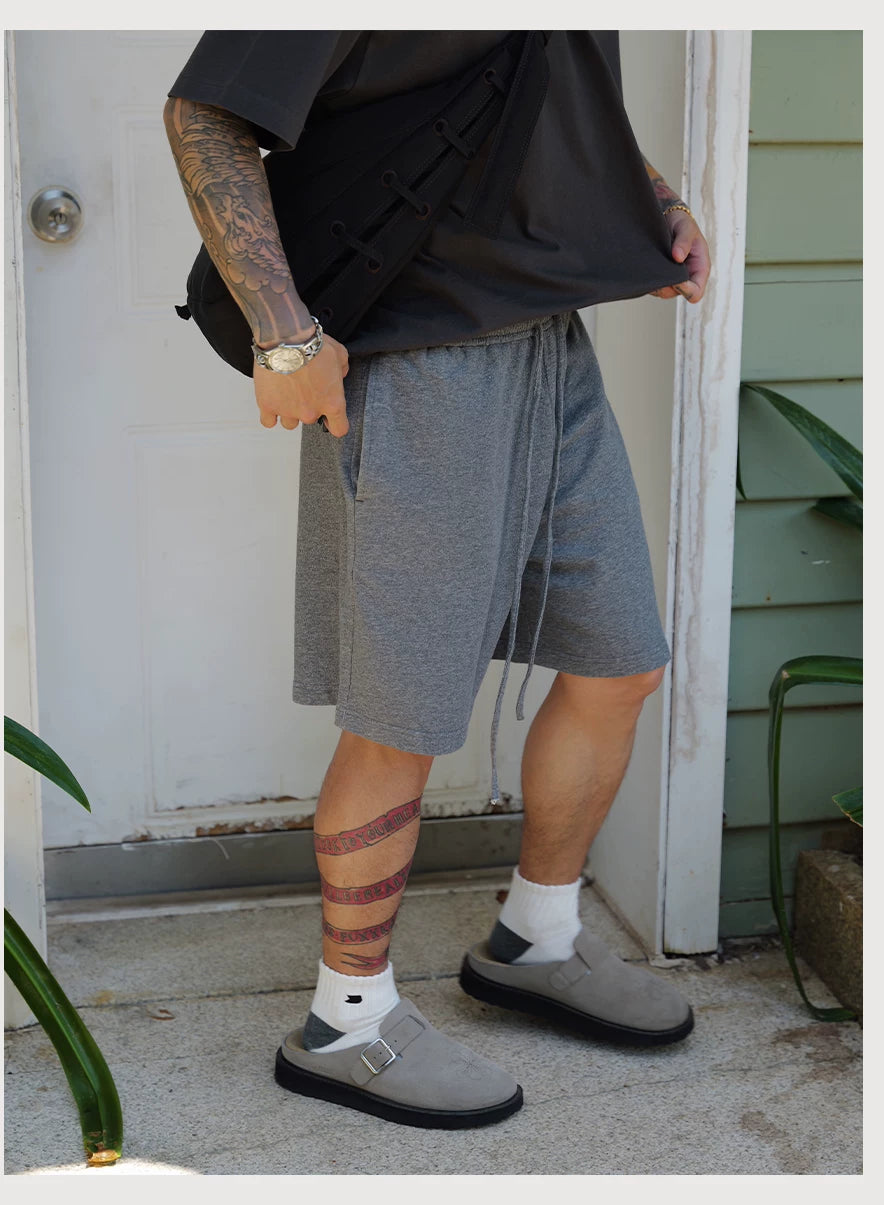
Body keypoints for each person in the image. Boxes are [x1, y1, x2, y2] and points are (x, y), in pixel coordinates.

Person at [164, 30, 711, 1130]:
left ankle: (536, 939)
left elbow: (550, 85)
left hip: (552, 338)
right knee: (399, 716)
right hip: (421, 357)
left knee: (620, 663)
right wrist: (282, 334)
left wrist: (648, 195)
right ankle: (346, 1022)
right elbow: (207, 113)